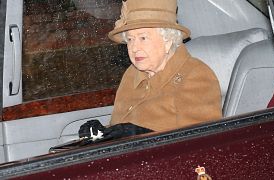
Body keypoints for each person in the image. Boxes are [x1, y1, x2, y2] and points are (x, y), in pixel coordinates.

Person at [78, 0, 222, 141]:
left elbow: (202, 143)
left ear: (168, 40)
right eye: (130, 39)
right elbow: (123, 128)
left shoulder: (195, 76)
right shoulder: (131, 74)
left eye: (143, 38)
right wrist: (102, 133)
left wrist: (142, 135)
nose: (134, 48)